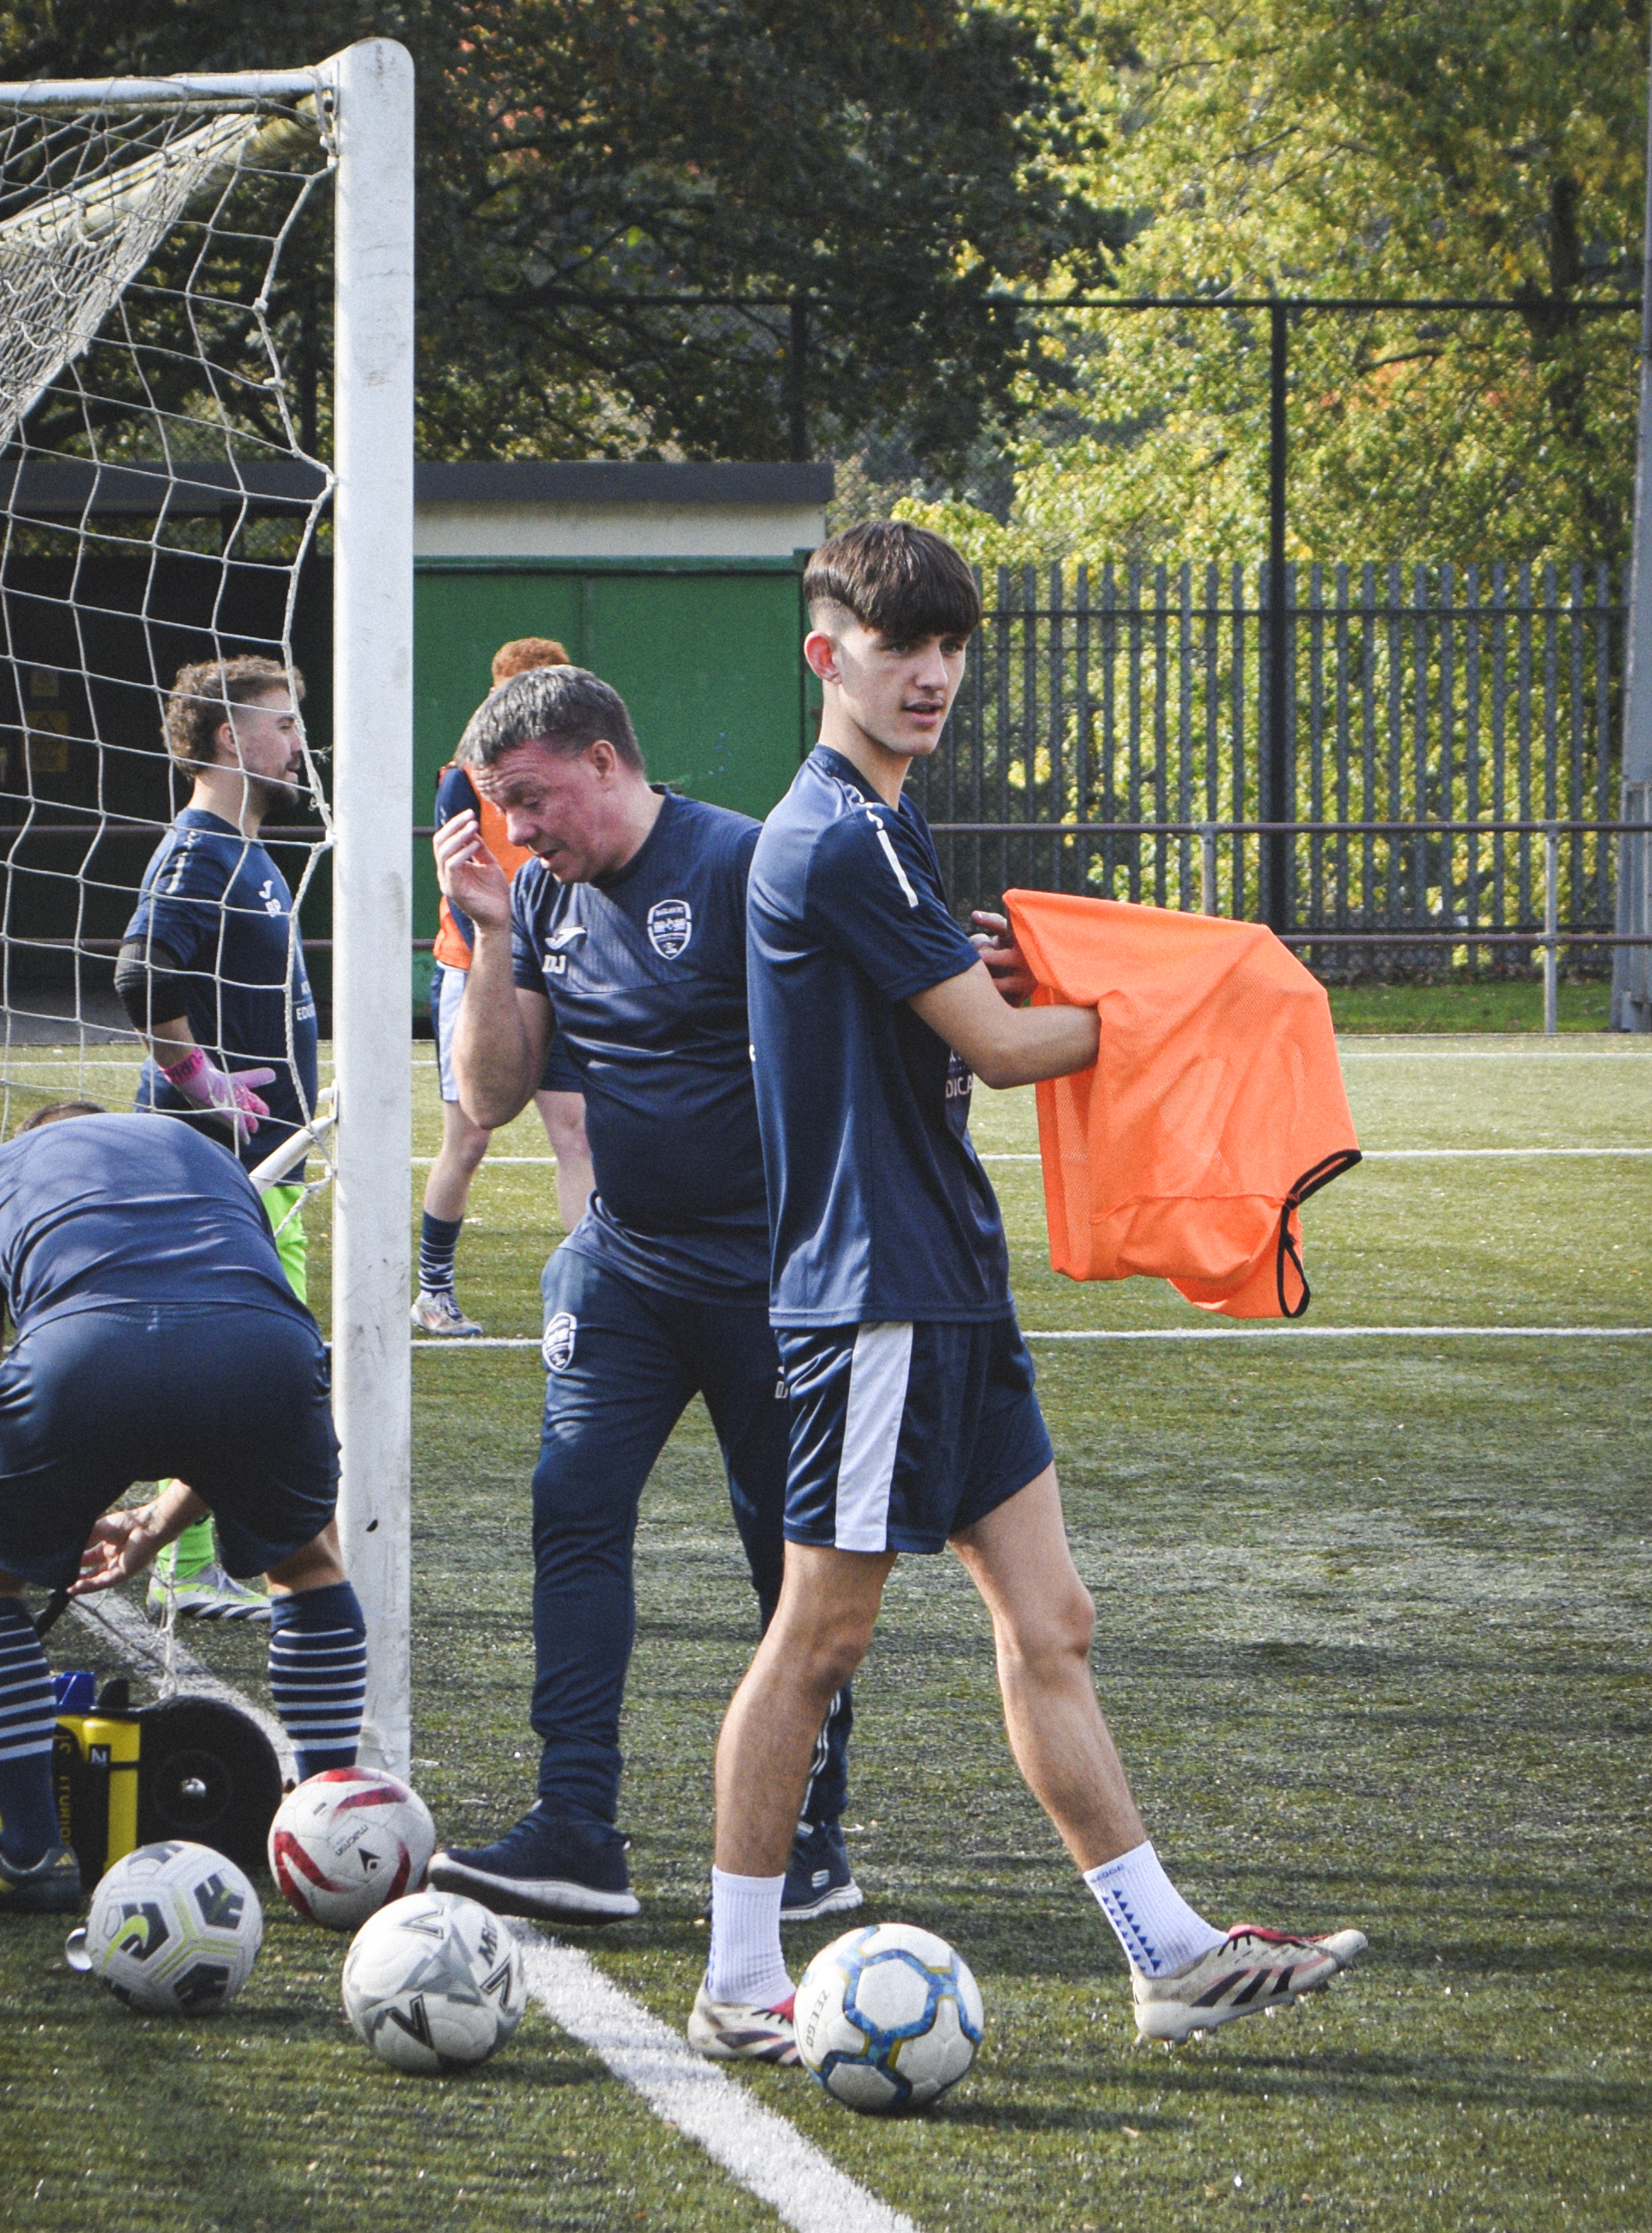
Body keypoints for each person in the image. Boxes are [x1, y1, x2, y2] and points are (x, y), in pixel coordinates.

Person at [689, 520, 1367, 2060]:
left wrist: (1062, 989)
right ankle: (738, 1978)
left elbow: (957, 1022)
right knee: (819, 1639)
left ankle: (1168, 1955)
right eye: (897, 646)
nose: (929, 674)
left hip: (947, 1286)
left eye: (950, 648)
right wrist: (1197, 996)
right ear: (827, 656)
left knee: (1051, 1620)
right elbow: (1002, 1047)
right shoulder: (836, 834)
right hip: (874, 1297)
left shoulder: (886, 828)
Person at [422, 665, 857, 1925]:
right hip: (624, 1264)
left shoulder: (745, 867)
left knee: (797, 1562)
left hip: (773, 1281)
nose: (520, 828)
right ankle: (574, 1827)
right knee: (571, 1506)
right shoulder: (543, 897)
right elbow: (494, 1096)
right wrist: (495, 933)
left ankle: (809, 1842)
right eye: (501, 807)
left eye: (532, 798)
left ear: (606, 762)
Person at [0, 1103, 365, 1914]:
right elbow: (216, 1331)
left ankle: (27, 1850)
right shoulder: (198, 1154)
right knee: (307, 1564)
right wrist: (158, 1519)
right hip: (260, 1352)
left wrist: (44, 1508)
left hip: (80, 1355)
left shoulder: (12, 1173)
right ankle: (329, 1836)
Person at [115, 654, 321, 1625]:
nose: (297, 743)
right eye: (282, 724)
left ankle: (198, 1555)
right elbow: (142, 977)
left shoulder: (244, 849)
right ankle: (188, 1564)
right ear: (231, 739)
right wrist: (198, 1081)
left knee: (265, 1365)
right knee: (251, 1366)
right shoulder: (200, 848)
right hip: (230, 1169)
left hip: (269, 1165)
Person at [415, 637, 594, 1338]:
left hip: (553, 965)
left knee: (574, 1131)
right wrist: (503, 942)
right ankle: (432, 1289)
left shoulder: (574, 768)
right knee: (469, 1138)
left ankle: (593, 1287)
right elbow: (458, 885)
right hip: (476, 967)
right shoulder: (463, 778)